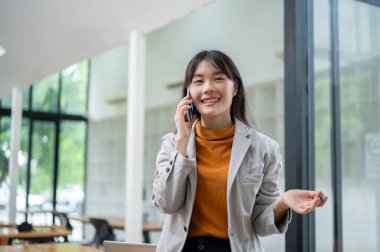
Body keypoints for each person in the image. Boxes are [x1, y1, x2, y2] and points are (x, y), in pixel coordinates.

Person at [152, 50, 327, 252]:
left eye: (218, 79)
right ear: (188, 93)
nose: (208, 88)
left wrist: (283, 201)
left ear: (234, 87)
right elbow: (166, 204)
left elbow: (261, 224)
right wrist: (182, 141)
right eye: (198, 81)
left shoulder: (264, 148)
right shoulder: (172, 144)